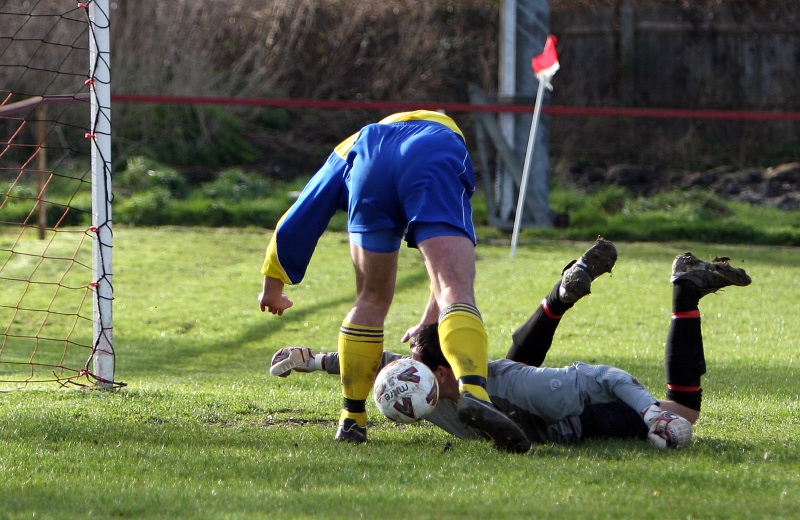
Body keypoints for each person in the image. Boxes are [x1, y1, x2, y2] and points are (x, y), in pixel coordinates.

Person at [270, 238, 752, 449]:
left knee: (683, 411)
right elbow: (375, 361)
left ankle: (684, 292)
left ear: (441, 374)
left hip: (576, 417)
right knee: (501, 385)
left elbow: (602, 377)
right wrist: (311, 360)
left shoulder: (530, 391)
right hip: (504, 393)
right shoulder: (417, 379)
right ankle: (558, 297)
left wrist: (651, 413)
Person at [258, 110, 530, 452]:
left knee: (370, 299)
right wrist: (434, 318)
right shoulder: (443, 135)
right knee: (454, 286)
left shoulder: (356, 141)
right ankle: (475, 394)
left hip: (371, 161)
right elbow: (443, 274)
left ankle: (352, 417)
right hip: (433, 153)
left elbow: (306, 208)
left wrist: (274, 281)